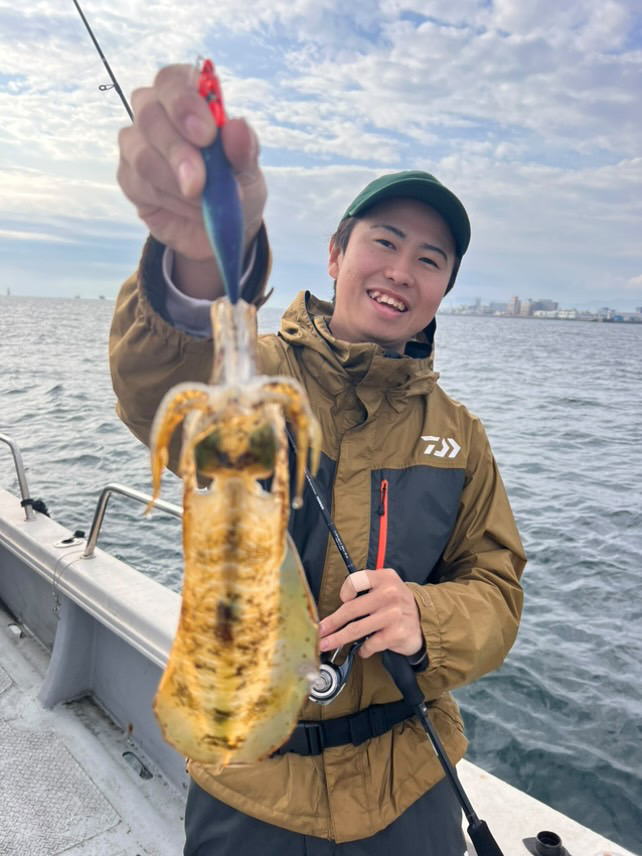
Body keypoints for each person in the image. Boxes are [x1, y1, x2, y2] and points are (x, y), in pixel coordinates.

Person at [110, 64, 526, 855]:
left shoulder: (461, 437)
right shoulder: (258, 375)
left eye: (430, 259)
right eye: (384, 242)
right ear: (336, 254)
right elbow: (156, 388)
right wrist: (198, 266)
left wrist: (425, 619)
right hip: (248, 779)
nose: (401, 271)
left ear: (444, 290)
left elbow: (497, 591)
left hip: (410, 784)